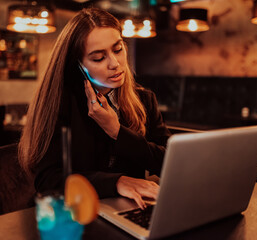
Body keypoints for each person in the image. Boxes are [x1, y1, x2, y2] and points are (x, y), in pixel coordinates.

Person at [18, 8, 171, 209]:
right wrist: (116, 182)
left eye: (118, 49)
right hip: (74, 215)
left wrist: (118, 132)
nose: (115, 64)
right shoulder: (60, 102)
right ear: (78, 65)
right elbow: (48, 181)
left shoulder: (144, 99)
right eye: (98, 58)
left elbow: (170, 164)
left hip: (130, 210)